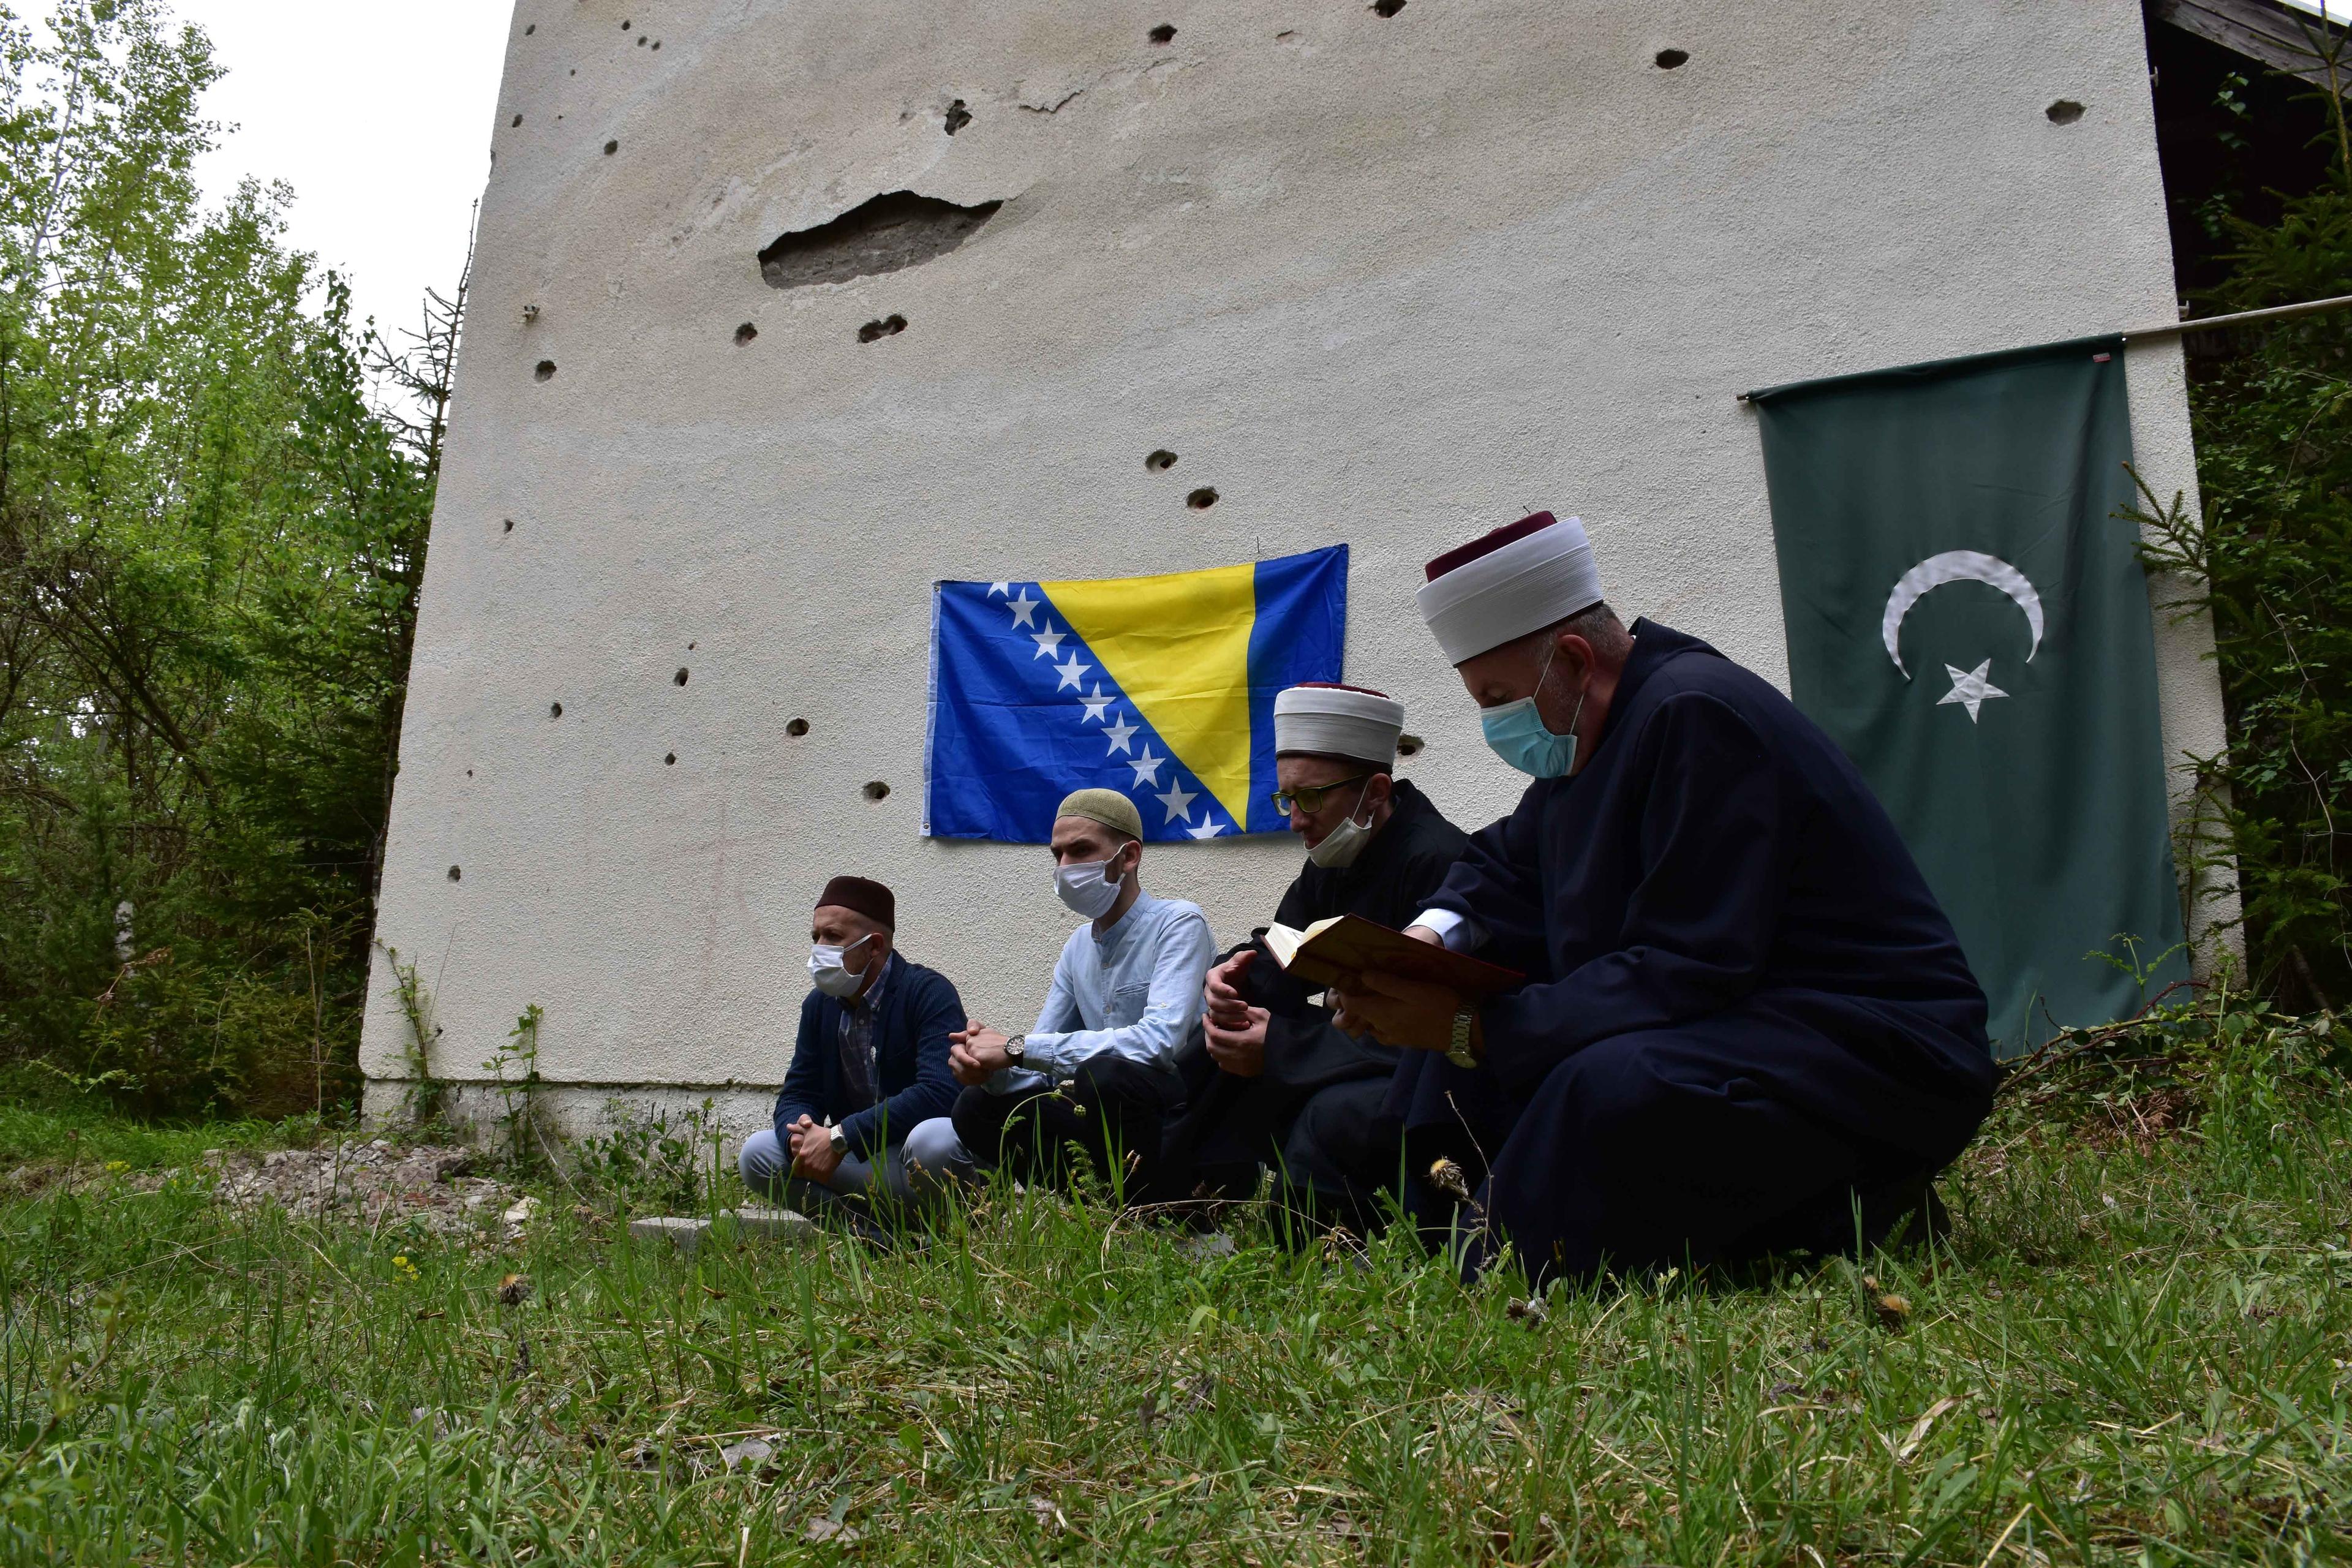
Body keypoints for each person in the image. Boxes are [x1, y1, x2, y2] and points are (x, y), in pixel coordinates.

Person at [1331, 511, 1997, 1287]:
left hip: (1871, 1040)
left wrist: (1470, 1026)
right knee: (1482, 986)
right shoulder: (1590, 743)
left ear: (1575, 661)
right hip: (1753, 1018)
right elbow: (1509, 866)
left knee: (1608, 1083)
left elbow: (1689, 966)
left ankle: (1855, 1203)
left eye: (1500, 696)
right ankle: (1442, 1231)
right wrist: (1425, 945)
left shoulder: (1694, 712)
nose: (1495, 723)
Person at [1156, 682, 1469, 1237]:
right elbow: (1285, 949)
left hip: (1430, 1065)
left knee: (1329, 1109)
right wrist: (1233, 974)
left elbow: (1422, 1031)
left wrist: (1280, 1047)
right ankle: (1173, 1203)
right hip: (1355, 1043)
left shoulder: (1437, 859)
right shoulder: (1337, 853)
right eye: (1286, 799)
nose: (1295, 819)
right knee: (1221, 1036)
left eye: (1310, 798)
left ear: (1376, 791)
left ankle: (1298, 1252)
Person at [901, 790, 1214, 1203]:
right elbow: (1038, 1069)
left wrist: (1016, 1047)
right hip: (1112, 1119)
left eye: (1081, 850)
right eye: (1058, 855)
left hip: (1185, 1117)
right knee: (977, 1107)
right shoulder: (1078, 948)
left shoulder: (1178, 923)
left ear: (1130, 856)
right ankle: (1101, 1209)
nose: (1066, 868)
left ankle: (1185, 1213)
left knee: (1103, 1077)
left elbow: (1161, 1045)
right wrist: (989, 1067)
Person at [738, 876, 964, 1229]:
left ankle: (944, 1232)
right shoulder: (819, 1006)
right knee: (759, 1154)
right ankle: (876, 1238)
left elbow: (940, 1092)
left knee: (935, 1141)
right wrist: (801, 1139)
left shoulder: (927, 992)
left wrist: (840, 1138)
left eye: (833, 937)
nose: (819, 948)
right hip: (858, 1159)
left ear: (874, 946)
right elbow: (799, 1092)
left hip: (911, 1161)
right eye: (816, 937)